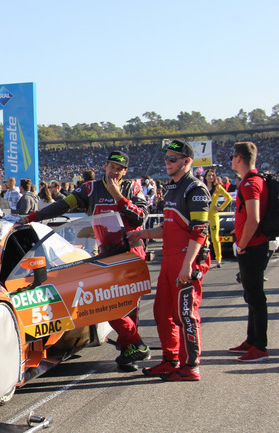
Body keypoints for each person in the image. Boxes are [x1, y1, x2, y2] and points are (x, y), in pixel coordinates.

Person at [25, 151, 150, 370]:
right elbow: (62, 206)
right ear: (105, 166)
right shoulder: (90, 188)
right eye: (111, 166)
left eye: (119, 168)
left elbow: (139, 216)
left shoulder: (133, 188)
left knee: (129, 306)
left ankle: (129, 349)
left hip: (131, 252)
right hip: (107, 253)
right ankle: (135, 344)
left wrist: (119, 197)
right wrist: (31, 217)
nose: (114, 171)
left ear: (125, 172)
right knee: (107, 304)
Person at [128, 140, 211, 381]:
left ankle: (190, 366)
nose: (167, 163)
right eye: (166, 158)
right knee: (162, 312)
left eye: (173, 159)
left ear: (187, 162)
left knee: (185, 314)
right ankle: (170, 359)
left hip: (186, 259)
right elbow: (170, 226)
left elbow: (200, 231)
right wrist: (142, 233)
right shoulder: (173, 187)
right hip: (169, 258)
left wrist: (187, 264)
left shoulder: (195, 189)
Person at [229, 141, 271, 362]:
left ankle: (260, 345)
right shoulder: (253, 180)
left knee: (255, 297)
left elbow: (253, 218)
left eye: (232, 157)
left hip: (252, 247)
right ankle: (252, 340)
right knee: (251, 295)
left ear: (239, 158)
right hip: (254, 246)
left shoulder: (249, 184)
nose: (231, 160)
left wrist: (241, 244)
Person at [203, 168, 233, 268]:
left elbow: (229, 197)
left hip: (213, 215)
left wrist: (220, 208)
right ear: (205, 176)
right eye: (209, 175)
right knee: (204, 238)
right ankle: (205, 258)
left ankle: (218, 259)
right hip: (203, 214)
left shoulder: (217, 187)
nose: (211, 177)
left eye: (212, 175)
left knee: (215, 238)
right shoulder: (202, 187)